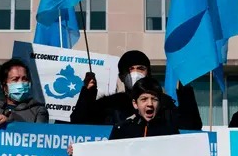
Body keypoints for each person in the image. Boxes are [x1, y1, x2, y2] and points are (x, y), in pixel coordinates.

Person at [71, 50, 202, 130]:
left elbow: (191, 127)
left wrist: (186, 91)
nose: (135, 73)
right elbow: (79, 124)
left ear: (148, 73)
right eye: (130, 69)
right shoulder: (110, 104)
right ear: (121, 77)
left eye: (140, 68)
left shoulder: (164, 104)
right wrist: (88, 93)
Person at [109, 77, 180, 140]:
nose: (150, 104)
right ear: (135, 104)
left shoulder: (170, 131)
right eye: (144, 99)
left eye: (154, 99)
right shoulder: (121, 130)